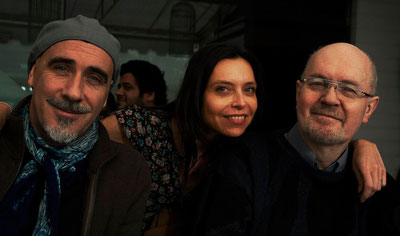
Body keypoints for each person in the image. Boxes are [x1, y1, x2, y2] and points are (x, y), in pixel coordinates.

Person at [0, 44, 388, 235]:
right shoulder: (145, 127)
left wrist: (359, 145)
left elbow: (317, 138)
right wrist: (11, 119)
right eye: (223, 89)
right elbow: (75, 129)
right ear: (198, 92)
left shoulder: (240, 145)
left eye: (249, 90)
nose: (240, 102)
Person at [192, 42, 400, 235]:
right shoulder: (241, 162)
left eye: (348, 89)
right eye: (318, 83)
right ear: (299, 92)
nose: (329, 98)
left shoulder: (378, 188)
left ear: (369, 109)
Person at [0, 15, 151, 236]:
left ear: (105, 98)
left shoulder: (129, 172)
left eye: (94, 78)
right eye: (61, 68)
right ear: (32, 73)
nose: (73, 92)